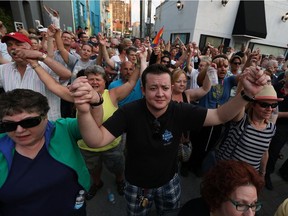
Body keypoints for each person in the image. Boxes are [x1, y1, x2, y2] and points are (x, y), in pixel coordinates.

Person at [71, 63, 267, 215]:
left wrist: (247, 95)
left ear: (171, 88)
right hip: (137, 185)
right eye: (153, 88)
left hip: (169, 182)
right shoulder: (129, 112)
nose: (160, 94)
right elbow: (95, 141)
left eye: (164, 88)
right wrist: (83, 110)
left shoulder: (180, 110)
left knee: (171, 213)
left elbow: (219, 116)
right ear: (143, 88)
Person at [0, 87, 101, 215]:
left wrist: (96, 101)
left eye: (29, 122)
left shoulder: (64, 129)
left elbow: (94, 124)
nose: (19, 130)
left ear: (45, 116)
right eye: (9, 125)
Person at [0, 32, 71, 121]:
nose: (13, 47)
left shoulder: (45, 66)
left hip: (48, 125)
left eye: (19, 44)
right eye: (9, 45)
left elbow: (67, 75)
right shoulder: (3, 70)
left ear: (31, 47)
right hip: (18, 128)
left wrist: (40, 56)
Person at [216, 84, 282, 173]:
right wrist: (246, 85)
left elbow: (264, 152)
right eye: (264, 104)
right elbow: (238, 103)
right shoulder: (241, 120)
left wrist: (262, 173)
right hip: (228, 171)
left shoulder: (271, 128)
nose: (269, 109)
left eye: (273, 105)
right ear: (253, 105)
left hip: (250, 175)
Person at [178, 160, 264, 216]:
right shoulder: (192, 211)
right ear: (220, 198)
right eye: (241, 204)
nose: (250, 215)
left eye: (253, 205)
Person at [265, 70, 288, 190]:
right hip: (267, 120)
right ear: (285, 76)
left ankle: (266, 174)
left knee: (274, 151)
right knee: (261, 145)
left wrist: (276, 114)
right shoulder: (277, 86)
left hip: (283, 127)